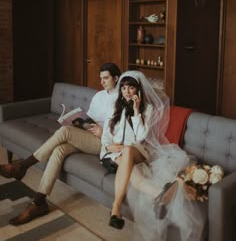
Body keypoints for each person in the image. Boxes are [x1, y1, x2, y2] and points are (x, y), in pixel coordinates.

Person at [0, 62, 121, 225]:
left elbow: (124, 130)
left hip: (104, 142)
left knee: (64, 132)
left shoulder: (122, 99)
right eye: (101, 78)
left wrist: (103, 131)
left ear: (116, 78)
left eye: (106, 78)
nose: (102, 82)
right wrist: (81, 123)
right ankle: (39, 202)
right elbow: (89, 118)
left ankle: (23, 166)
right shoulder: (99, 96)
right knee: (59, 149)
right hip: (88, 135)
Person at [100, 70, 207, 241]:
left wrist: (136, 112)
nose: (127, 91)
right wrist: (108, 145)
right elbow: (105, 135)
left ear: (138, 90)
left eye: (131, 88)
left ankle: (115, 207)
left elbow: (140, 137)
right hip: (114, 154)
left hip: (137, 151)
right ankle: (159, 193)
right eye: (124, 88)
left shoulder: (147, 109)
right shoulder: (114, 108)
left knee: (128, 150)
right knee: (135, 177)